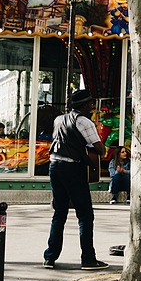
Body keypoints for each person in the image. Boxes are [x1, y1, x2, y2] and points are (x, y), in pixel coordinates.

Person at [43, 90, 109, 270]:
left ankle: (50, 256)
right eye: (90, 104)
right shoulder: (84, 122)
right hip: (73, 168)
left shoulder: (59, 119)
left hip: (54, 166)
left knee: (59, 213)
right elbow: (100, 149)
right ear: (85, 105)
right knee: (85, 214)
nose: (92, 107)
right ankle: (88, 258)